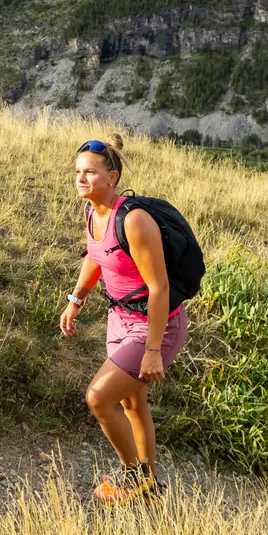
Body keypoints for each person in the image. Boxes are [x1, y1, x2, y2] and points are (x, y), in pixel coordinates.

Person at [59, 135, 188, 505]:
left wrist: (153, 350)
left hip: (155, 324)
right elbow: (95, 257)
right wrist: (76, 300)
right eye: (78, 173)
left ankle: (134, 475)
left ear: (113, 176)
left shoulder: (133, 221)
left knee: (99, 398)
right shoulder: (92, 212)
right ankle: (149, 486)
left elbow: (160, 287)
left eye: (91, 173)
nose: (81, 180)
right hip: (120, 317)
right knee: (132, 403)